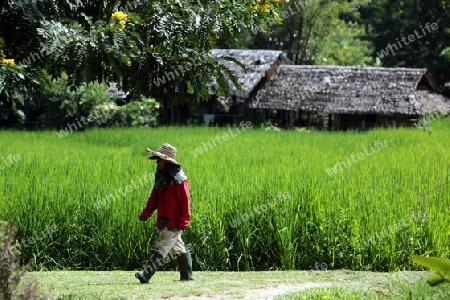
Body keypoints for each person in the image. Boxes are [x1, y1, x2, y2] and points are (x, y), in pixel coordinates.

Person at [135, 143, 193, 283]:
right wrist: (146, 213)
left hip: (173, 222)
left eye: (160, 160)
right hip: (163, 219)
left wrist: (184, 221)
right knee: (179, 248)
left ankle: (146, 275)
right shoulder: (161, 179)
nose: (158, 162)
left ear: (167, 162)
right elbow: (154, 198)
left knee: (162, 247)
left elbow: (186, 202)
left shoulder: (179, 181)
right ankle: (187, 276)